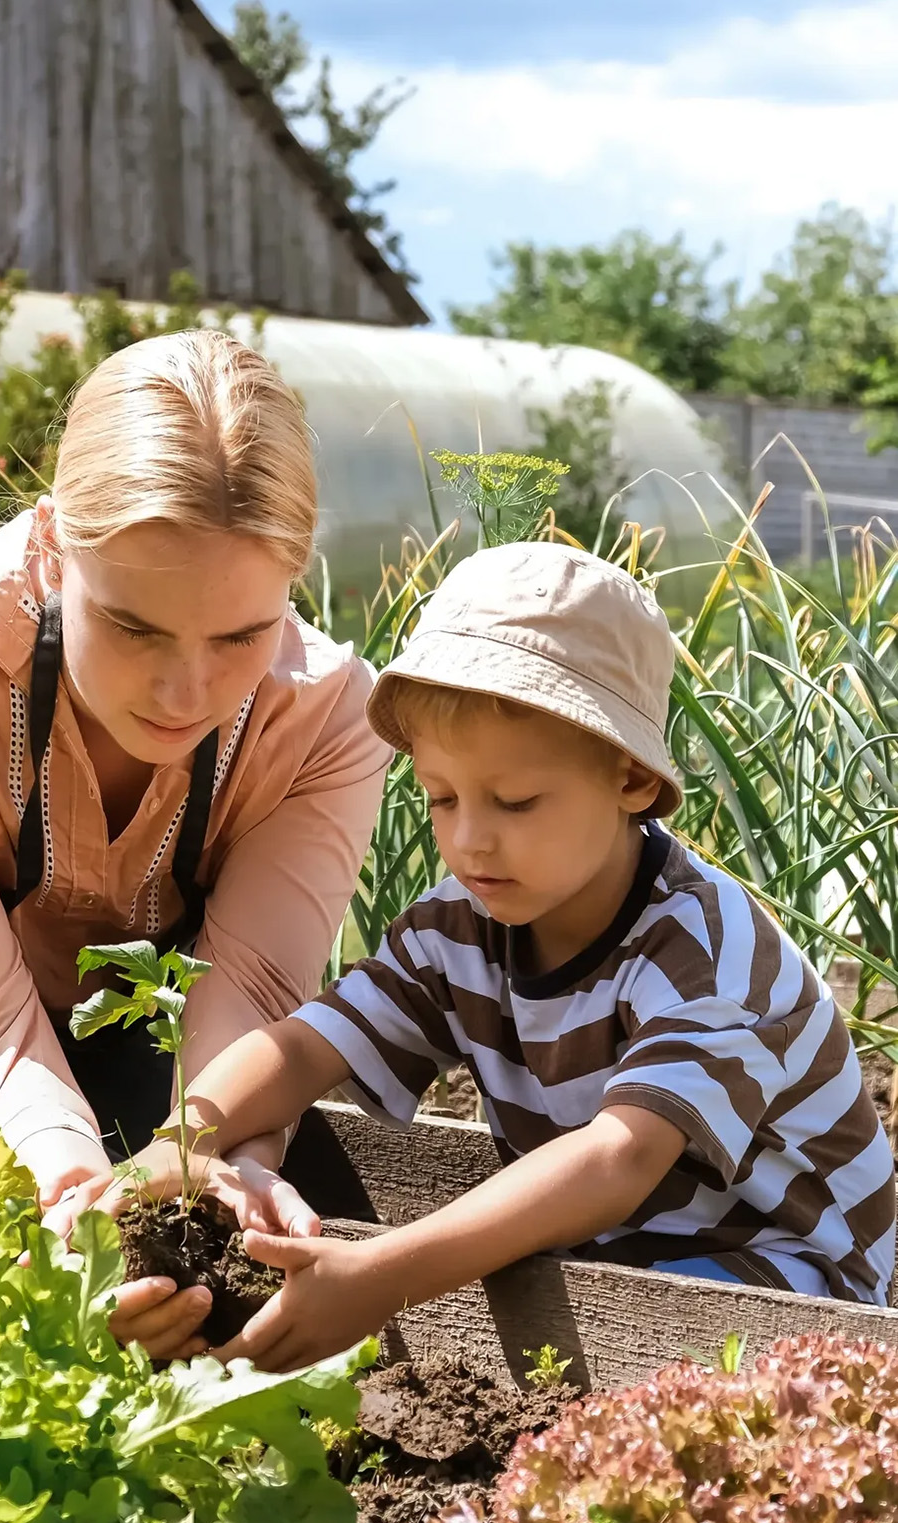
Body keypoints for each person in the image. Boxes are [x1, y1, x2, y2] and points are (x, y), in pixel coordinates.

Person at [109, 540, 897, 1372]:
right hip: (613, 1251)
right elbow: (306, 1046)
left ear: (630, 780)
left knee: (616, 1361)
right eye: (441, 797)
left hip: (789, 1285)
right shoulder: (461, 929)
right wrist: (179, 1144)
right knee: (545, 1322)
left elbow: (619, 1157)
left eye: (515, 801)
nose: (470, 839)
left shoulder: (704, 956)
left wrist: (384, 1277)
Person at [0, 329, 387, 1357]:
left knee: (251, 1217)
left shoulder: (324, 720)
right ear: (53, 546)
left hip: (93, 1024)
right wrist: (67, 1198)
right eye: (135, 627)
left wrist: (209, 1160)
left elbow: (256, 989)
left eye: (239, 637)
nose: (189, 691)